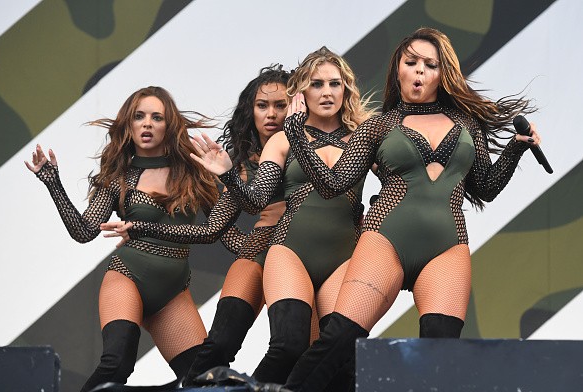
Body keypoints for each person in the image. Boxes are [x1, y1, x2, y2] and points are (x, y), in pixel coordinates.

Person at [280, 27, 542, 391]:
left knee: (439, 354)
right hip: (385, 238)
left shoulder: (467, 124)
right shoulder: (379, 126)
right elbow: (331, 184)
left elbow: (486, 187)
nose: (420, 71)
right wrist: (295, 134)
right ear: (397, 70)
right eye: (411, 62)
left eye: (430, 64)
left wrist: (515, 148)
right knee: (338, 341)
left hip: (446, 248)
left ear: (442, 74)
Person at [25, 86, 244, 392]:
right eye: (139, 116)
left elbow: (226, 237)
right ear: (128, 124)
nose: (147, 123)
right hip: (127, 279)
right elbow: (85, 231)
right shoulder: (118, 179)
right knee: (117, 364)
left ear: (169, 126)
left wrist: (275, 237)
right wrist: (53, 184)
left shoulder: (193, 172)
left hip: (172, 294)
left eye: (157, 117)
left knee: (204, 378)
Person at [190, 46, 374, 389]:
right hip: (289, 252)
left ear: (346, 89)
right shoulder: (282, 139)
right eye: (317, 84)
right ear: (302, 91)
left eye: (335, 83)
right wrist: (229, 175)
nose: (327, 92)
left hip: (344, 258)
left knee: (342, 357)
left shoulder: (365, 136)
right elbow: (256, 199)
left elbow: (404, 178)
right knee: (288, 345)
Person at [182, 64, 293, 384]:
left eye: (280, 105)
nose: (271, 114)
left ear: (296, 107)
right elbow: (215, 229)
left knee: (297, 349)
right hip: (261, 254)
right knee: (220, 342)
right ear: (251, 112)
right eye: (262, 106)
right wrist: (252, 244)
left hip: (302, 253)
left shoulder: (307, 151)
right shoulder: (242, 165)